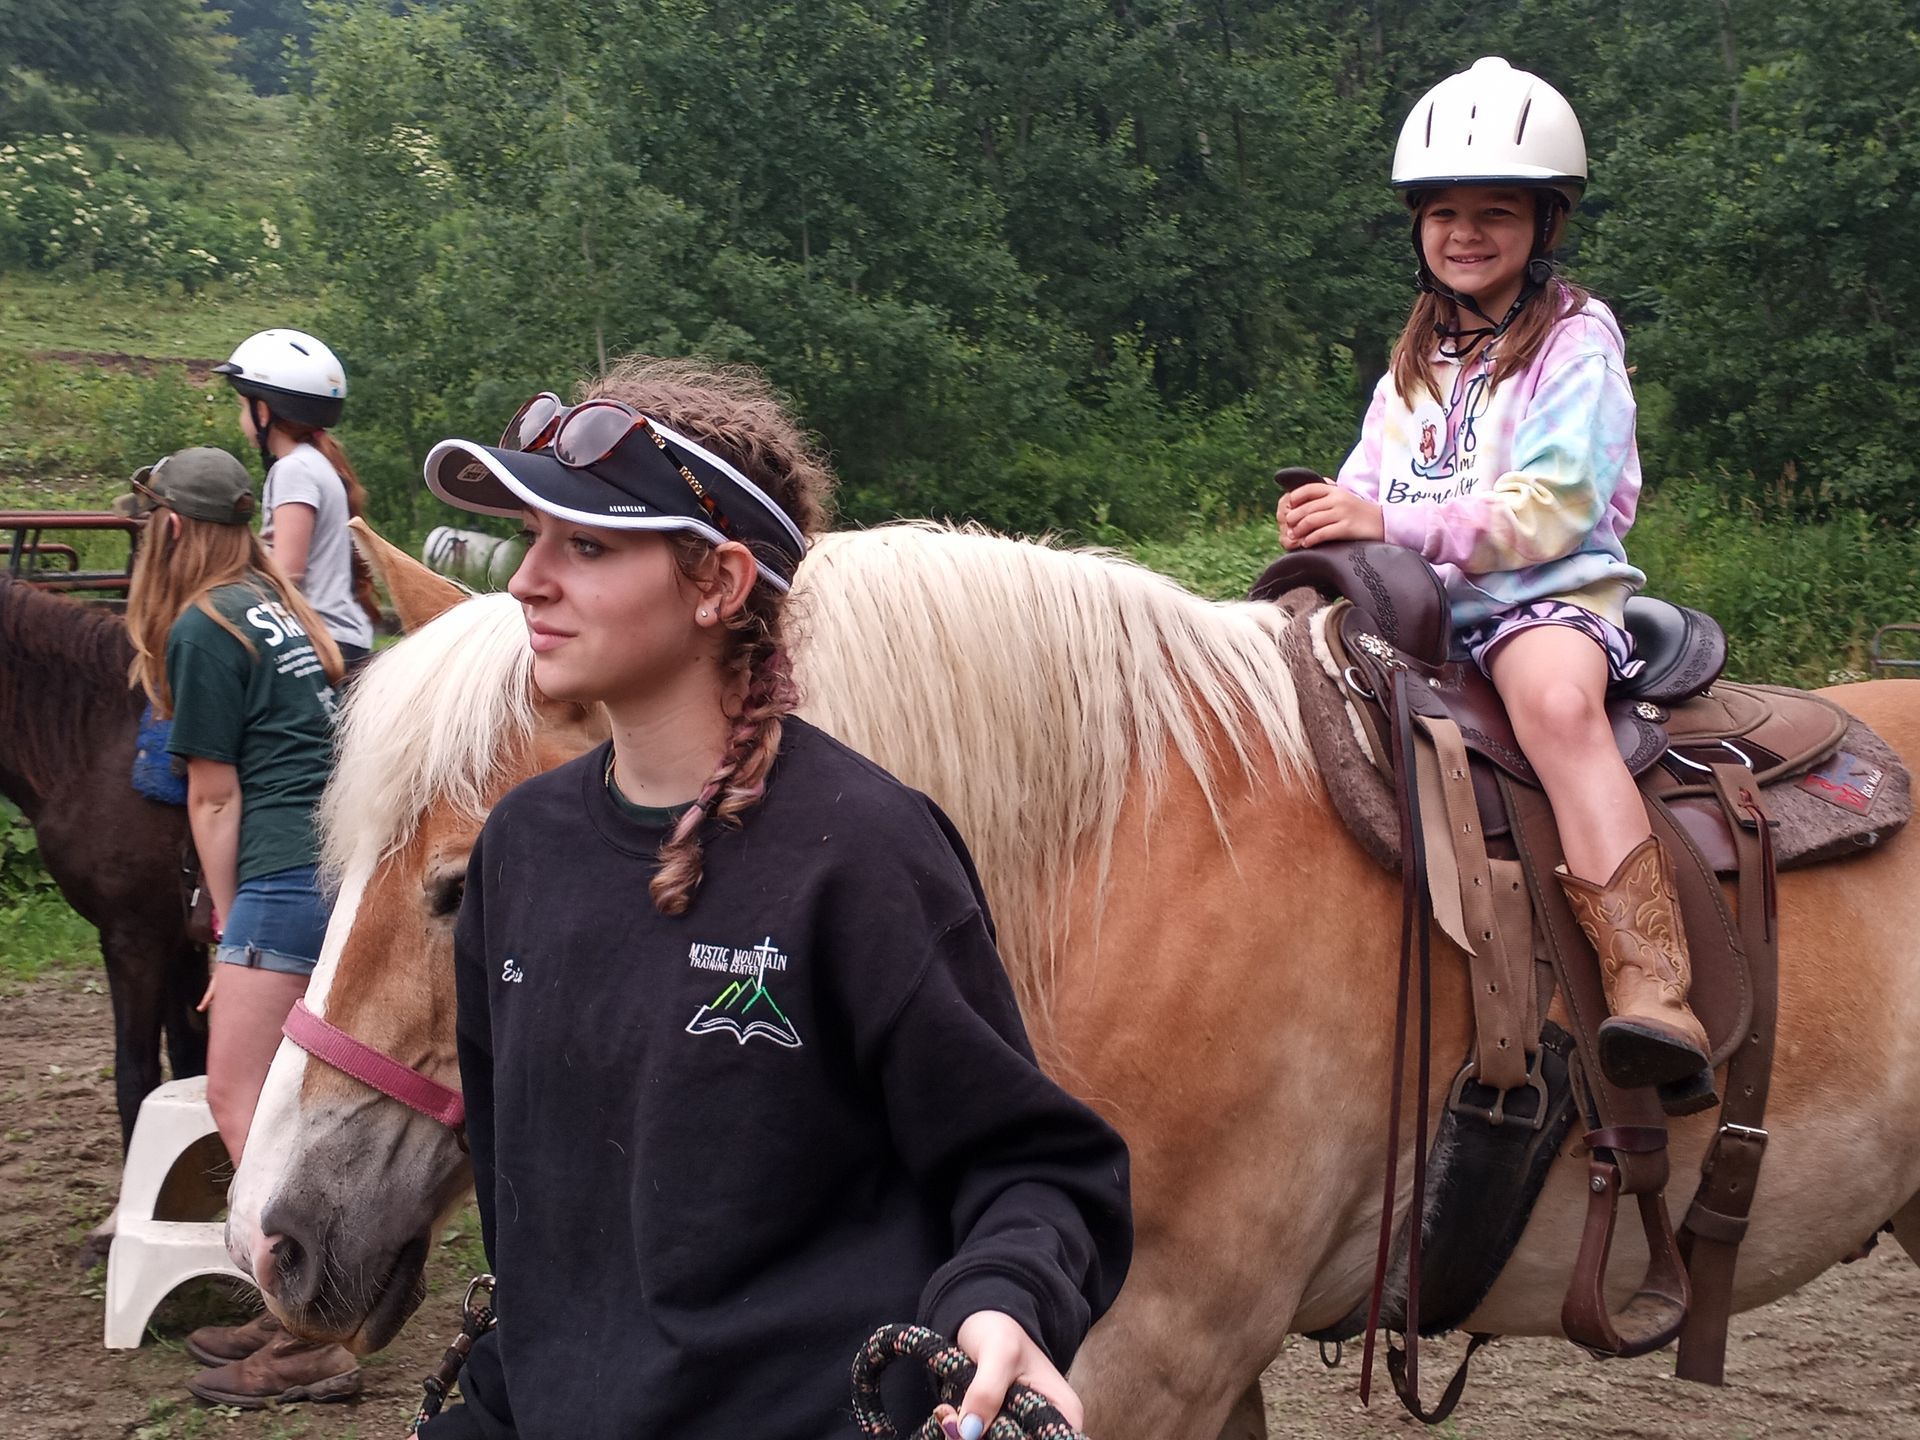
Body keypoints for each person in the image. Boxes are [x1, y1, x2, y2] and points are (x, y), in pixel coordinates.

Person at [414, 357, 1132, 1439]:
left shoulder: (863, 852)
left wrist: (1004, 1299)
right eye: (533, 538)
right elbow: (528, 1214)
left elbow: (1031, 1164)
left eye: (589, 544)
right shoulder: (521, 849)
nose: (527, 579)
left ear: (718, 585)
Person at [1276, 57, 1714, 1113]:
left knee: (1557, 708)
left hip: (1543, 598)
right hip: (1416, 607)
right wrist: (1328, 520)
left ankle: (1653, 979)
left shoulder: (1576, 344)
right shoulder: (1415, 361)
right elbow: (1369, 478)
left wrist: (1389, 521)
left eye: (1496, 214)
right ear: (1417, 226)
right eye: (1446, 214)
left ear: (1544, 224)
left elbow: (1555, 505)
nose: (1466, 234)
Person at [118, 447, 362, 1407]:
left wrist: (225, 927)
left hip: (278, 879)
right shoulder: (273, 606)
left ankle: (316, 1335)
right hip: (332, 868)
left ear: (171, 527)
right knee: (291, 1110)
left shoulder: (199, 627)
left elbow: (213, 799)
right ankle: (291, 1301)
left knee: (239, 1102)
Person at [215, 328, 381, 667]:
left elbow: (288, 571)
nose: (240, 418)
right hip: (336, 638)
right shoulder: (316, 462)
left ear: (263, 412)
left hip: (317, 641)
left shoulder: (294, 470)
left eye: (241, 407)